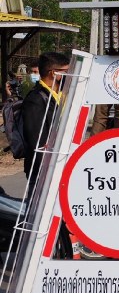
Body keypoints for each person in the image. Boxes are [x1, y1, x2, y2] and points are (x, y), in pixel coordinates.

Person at [23, 52, 70, 196]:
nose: (69, 75)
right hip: (43, 171)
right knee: (38, 213)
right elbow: (37, 141)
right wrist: (46, 172)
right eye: (66, 72)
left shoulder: (61, 93)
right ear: (53, 73)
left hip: (60, 164)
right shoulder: (35, 99)